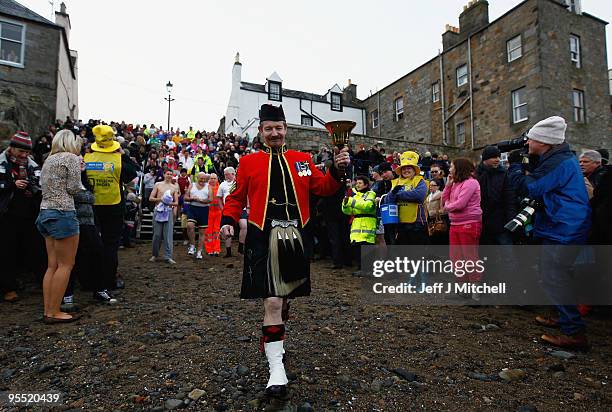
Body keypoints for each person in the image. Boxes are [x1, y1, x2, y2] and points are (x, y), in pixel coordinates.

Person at [220, 104, 349, 402]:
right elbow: (237, 197)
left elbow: (325, 188)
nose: (274, 133)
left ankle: (277, 324)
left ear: (285, 129)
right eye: (268, 128)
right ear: (261, 132)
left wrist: (338, 169)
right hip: (262, 235)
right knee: (273, 300)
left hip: (296, 234)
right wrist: (228, 221)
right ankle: (276, 370)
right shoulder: (249, 163)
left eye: (278, 128)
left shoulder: (302, 160)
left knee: (284, 297)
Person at [508, 116, 591, 350]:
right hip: (563, 223)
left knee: (555, 276)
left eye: (531, 139)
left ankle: (574, 333)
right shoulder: (557, 158)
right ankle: (561, 317)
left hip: (565, 226)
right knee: (554, 274)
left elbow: (531, 186)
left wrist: (515, 165)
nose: (527, 143)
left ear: (544, 141)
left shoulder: (559, 162)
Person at [36, 130, 82, 323]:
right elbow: (73, 188)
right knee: (66, 265)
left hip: (45, 212)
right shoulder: (71, 158)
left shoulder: (49, 159)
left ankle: (48, 310)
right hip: (63, 213)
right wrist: (81, 172)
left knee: (52, 265)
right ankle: (55, 312)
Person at [85, 125, 138, 291]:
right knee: (110, 245)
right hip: (113, 205)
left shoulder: (87, 158)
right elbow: (132, 174)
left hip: (92, 205)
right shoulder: (118, 159)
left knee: (91, 243)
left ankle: (89, 279)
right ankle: (109, 280)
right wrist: (124, 155)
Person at [0, 132, 43, 302]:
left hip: (29, 213)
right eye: (21, 152)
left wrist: (32, 186)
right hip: (7, 215)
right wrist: (12, 184)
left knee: (36, 249)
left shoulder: (32, 165)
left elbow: (40, 184)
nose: (24, 155)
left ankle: (42, 282)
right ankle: (8, 287)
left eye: (26, 152)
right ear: (11, 148)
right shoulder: (2, 163)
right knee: (6, 251)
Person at [441, 158, 483, 300]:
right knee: (456, 258)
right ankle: (463, 289)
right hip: (455, 224)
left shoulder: (471, 182)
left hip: (469, 223)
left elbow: (459, 204)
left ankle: (475, 292)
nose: (449, 169)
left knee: (470, 257)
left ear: (459, 168)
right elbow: (443, 200)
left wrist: (447, 207)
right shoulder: (455, 183)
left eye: (451, 166)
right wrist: (447, 185)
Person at [476, 145, 517, 245]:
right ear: (485, 158)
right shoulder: (476, 174)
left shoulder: (503, 174)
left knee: (507, 255)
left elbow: (510, 197)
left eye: (498, 157)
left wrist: (511, 217)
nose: (498, 159)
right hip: (482, 222)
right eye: (494, 157)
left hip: (501, 222)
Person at [386, 151, 429, 245]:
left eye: (409, 168)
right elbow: (388, 200)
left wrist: (397, 194)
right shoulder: (395, 182)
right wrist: (394, 194)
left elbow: (419, 195)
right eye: (403, 169)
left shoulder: (420, 181)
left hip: (417, 223)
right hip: (399, 224)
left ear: (414, 170)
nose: (406, 170)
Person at [342, 175, 377, 276]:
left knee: (367, 247)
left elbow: (367, 206)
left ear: (366, 184)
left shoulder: (371, 194)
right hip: (356, 223)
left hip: (367, 223)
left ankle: (369, 270)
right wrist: (345, 204)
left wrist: (351, 202)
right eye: (356, 183)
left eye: (360, 183)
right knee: (357, 247)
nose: (357, 185)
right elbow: (349, 211)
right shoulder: (355, 196)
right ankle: (361, 269)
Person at [149, 170, 180, 264]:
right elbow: (151, 198)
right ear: (164, 175)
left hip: (168, 211)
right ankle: (154, 254)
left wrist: (168, 203)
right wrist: (161, 199)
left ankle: (168, 256)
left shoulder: (174, 187)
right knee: (157, 234)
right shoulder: (158, 184)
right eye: (167, 174)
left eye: (171, 174)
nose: (169, 176)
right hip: (158, 210)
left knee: (168, 235)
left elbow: (176, 202)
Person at [185, 172, 213, 259]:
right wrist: (192, 198)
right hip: (193, 208)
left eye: (204, 179)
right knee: (190, 225)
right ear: (197, 178)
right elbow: (185, 197)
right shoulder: (192, 185)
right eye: (201, 178)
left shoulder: (208, 186)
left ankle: (199, 251)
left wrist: (201, 200)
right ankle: (192, 245)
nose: (203, 180)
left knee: (202, 232)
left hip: (203, 209)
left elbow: (210, 199)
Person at [217, 166, 236, 257]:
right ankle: (228, 251)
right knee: (226, 229)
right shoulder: (222, 184)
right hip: (227, 209)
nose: (225, 176)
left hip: (239, 209)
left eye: (227, 174)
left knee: (244, 226)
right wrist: (222, 208)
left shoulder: (238, 183)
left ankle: (241, 247)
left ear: (233, 174)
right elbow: (219, 198)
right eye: (224, 174)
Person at [205, 173, 221, 256]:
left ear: (217, 179)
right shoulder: (206, 188)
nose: (213, 180)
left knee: (216, 230)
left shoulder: (220, 188)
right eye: (211, 178)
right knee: (208, 231)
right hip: (208, 211)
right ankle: (209, 249)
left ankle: (216, 249)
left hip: (218, 212)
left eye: (214, 178)